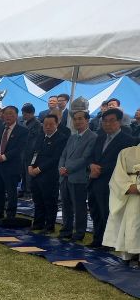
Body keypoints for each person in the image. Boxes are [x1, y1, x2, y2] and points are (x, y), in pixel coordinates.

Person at [89, 107, 138, 249]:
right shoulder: (99, 137)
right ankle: (97, 239)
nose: (107, 124)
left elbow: (124, 163)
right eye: (105, 121)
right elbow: (91, 156)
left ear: (119, 122)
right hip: (94, 180)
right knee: (95, 212)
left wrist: (100, 169)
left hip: (112, 183)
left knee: (108, 213)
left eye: (111, 121)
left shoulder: (128, 140)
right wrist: (91, 165)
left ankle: (108, 243)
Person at [58, 110, 98, 241]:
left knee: (79, 207)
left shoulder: (93, 137)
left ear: (87, 120)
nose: (77, 121)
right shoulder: (72, 137)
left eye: (80, 119)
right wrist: (61, 168)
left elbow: (85, 158)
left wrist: (67, 168)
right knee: (65, 205)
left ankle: (79, 232)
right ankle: (66, 230)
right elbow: (63, 154)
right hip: (64, 177)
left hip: (79, 177)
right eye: (75, 119)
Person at [26, 113, 67, 233]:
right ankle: (38, 223)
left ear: (57, 124)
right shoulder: (40, 136)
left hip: (50, 175)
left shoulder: (61, 138)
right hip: (35, 174)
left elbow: (55, 158)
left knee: (49, 201)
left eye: (51, 124)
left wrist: (39, 169)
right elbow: (35, 152)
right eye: (45, 124)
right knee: (37, 200)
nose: (47, 127)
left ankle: (49, 226)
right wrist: (30, 166)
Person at [103, 139, 140, 265]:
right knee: (131, 224)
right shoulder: (126, 152)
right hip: (131, 195)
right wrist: (131, 187)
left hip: (134, 192)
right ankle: (128, 255)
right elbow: (117, 177)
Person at [0, 105, 28, 221]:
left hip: (11, 166)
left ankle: (10, 215)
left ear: (16, 116)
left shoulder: (23, 131)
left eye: (11, 114)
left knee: (11, 192)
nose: (8, 116)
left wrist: (4, 157)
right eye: (6, 113)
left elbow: (19, 148)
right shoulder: (0, 128)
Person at [20, 103, 42, 195]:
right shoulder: (24, 122)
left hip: (31, 151)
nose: (23, 116)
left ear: (32, 113)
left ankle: (29, 190)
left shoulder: (37, 124)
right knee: (23, 171)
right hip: (23, 151)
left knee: (29, 171)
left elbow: (35, 139)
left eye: (25, 114)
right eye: (23, 113)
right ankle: (24, 188)